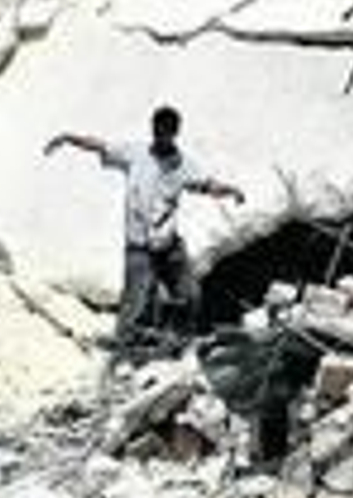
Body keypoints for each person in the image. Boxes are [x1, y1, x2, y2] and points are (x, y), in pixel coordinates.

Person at [44, 106, 245, 345]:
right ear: (153, 130)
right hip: (139, 246)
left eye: (167, 134)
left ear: (175, 133)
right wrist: (68, 138)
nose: (162, 138)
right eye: (158, 132)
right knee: (135, 299)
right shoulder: (135, 154)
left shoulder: (183, 165)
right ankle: (124, 342)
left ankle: (180, 337)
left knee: (189, 293)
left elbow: (207, 185)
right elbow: (101, 146)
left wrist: (231, 190)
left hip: (169, 245)